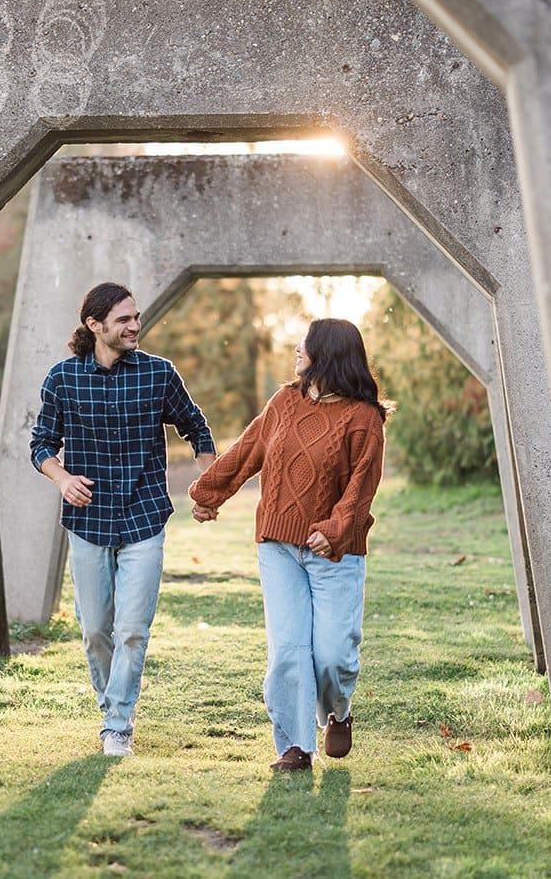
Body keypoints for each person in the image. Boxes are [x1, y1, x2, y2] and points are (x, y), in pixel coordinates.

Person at [188, 317, 387, 771]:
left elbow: (362, 488)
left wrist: (334, 529)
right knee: (290, 651)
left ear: (328, 353)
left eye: (305, 343)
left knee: (333, 654)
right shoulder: (284, 401)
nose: (296, 349)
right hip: (278, 545)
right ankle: (296, 747)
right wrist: (208, 493)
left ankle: (337, 710)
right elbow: (249, 450)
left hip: (334, 551)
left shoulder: (364, 418)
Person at [30, 281, 216, 757]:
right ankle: (111, 703)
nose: (136, 326)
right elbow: (42, 446)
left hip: (144, 515)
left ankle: (118, 724)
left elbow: (195, 426)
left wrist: (209, 485)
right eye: (124, 320)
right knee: (95, 630)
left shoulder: (158, 374)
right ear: (94, 326)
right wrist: (61, 478)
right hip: (88, 519)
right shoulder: (63, 378)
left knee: (132, 628)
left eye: (136, 317)